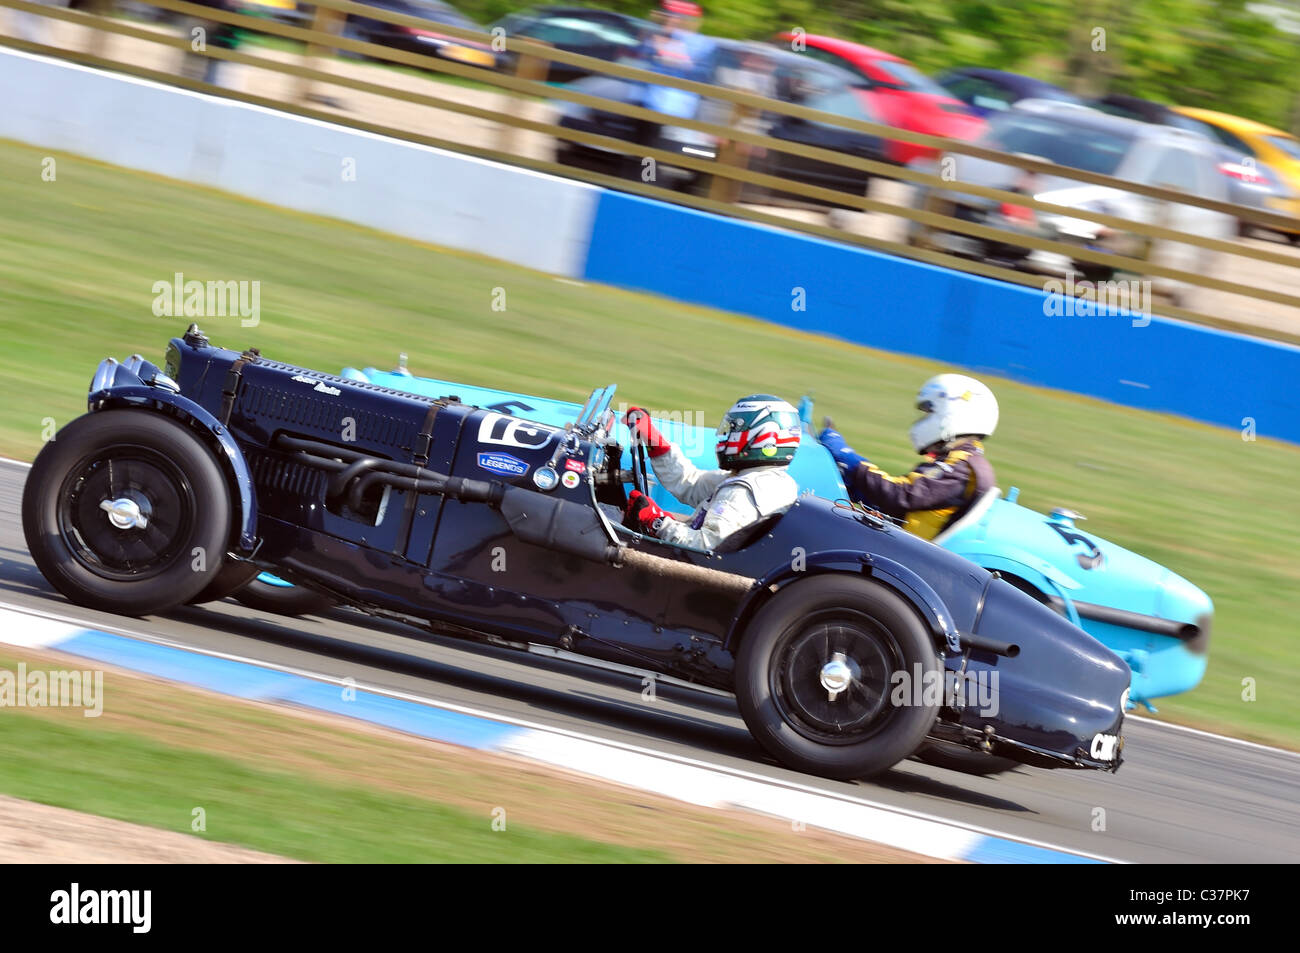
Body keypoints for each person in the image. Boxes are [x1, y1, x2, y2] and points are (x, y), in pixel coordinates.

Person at [818, 374, 998, 540]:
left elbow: (901, 494)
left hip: (901, 551)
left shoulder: (962, 467)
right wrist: (862, 491)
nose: (923, 420)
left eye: (929, 412)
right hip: (900, 540)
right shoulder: (961, 461)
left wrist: (849, 459)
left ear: (953, 414)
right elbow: (909, 504)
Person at [622, 395, 800, 550]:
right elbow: (690, 484)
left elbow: (706, 547)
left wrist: (656, 522)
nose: (726, 437)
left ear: (763, 438)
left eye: (734, 430)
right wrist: (654, 440)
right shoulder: (765, 480)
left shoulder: (741, 493)